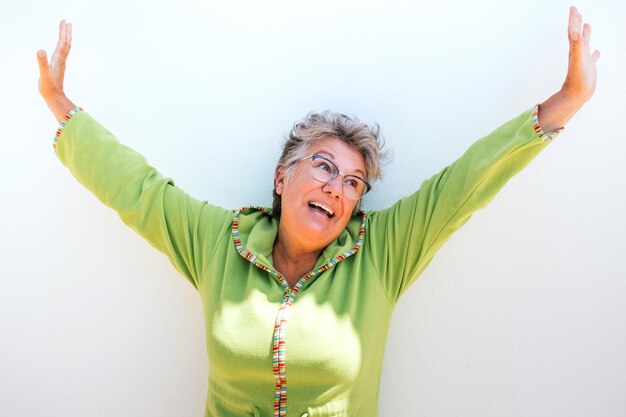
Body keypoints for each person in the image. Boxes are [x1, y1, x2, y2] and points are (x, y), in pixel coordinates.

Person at [37, 6, 600, 417]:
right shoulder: (217, 241)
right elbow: (137, 190)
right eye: (325, 167)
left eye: (354, 181)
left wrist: (565, 100)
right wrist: (62, 107)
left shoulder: (380, 252)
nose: (337, 188)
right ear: (284, 178)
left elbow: (464, 185)